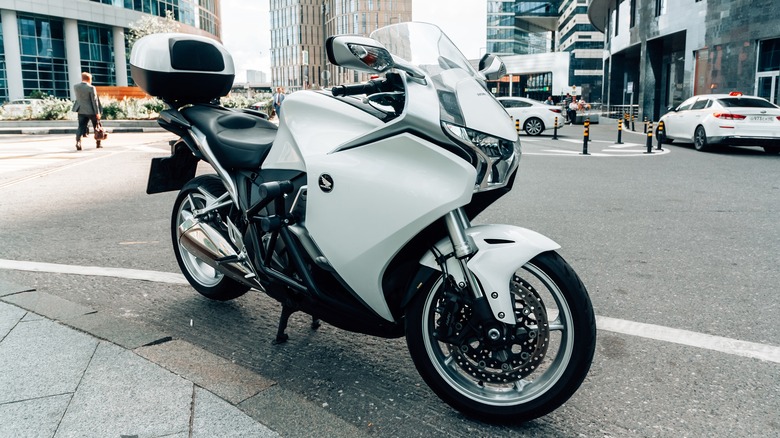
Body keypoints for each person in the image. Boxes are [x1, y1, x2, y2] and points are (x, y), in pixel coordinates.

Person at [72, 72, 102, 150]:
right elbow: (94, 101)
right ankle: (98, 143)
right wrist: (97, 112)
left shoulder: (75, 87)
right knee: (97, 127)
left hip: (81, 110)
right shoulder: (91, 88)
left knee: (80, 127)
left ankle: (78, 142)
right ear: (89, 79)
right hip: (91, 111)